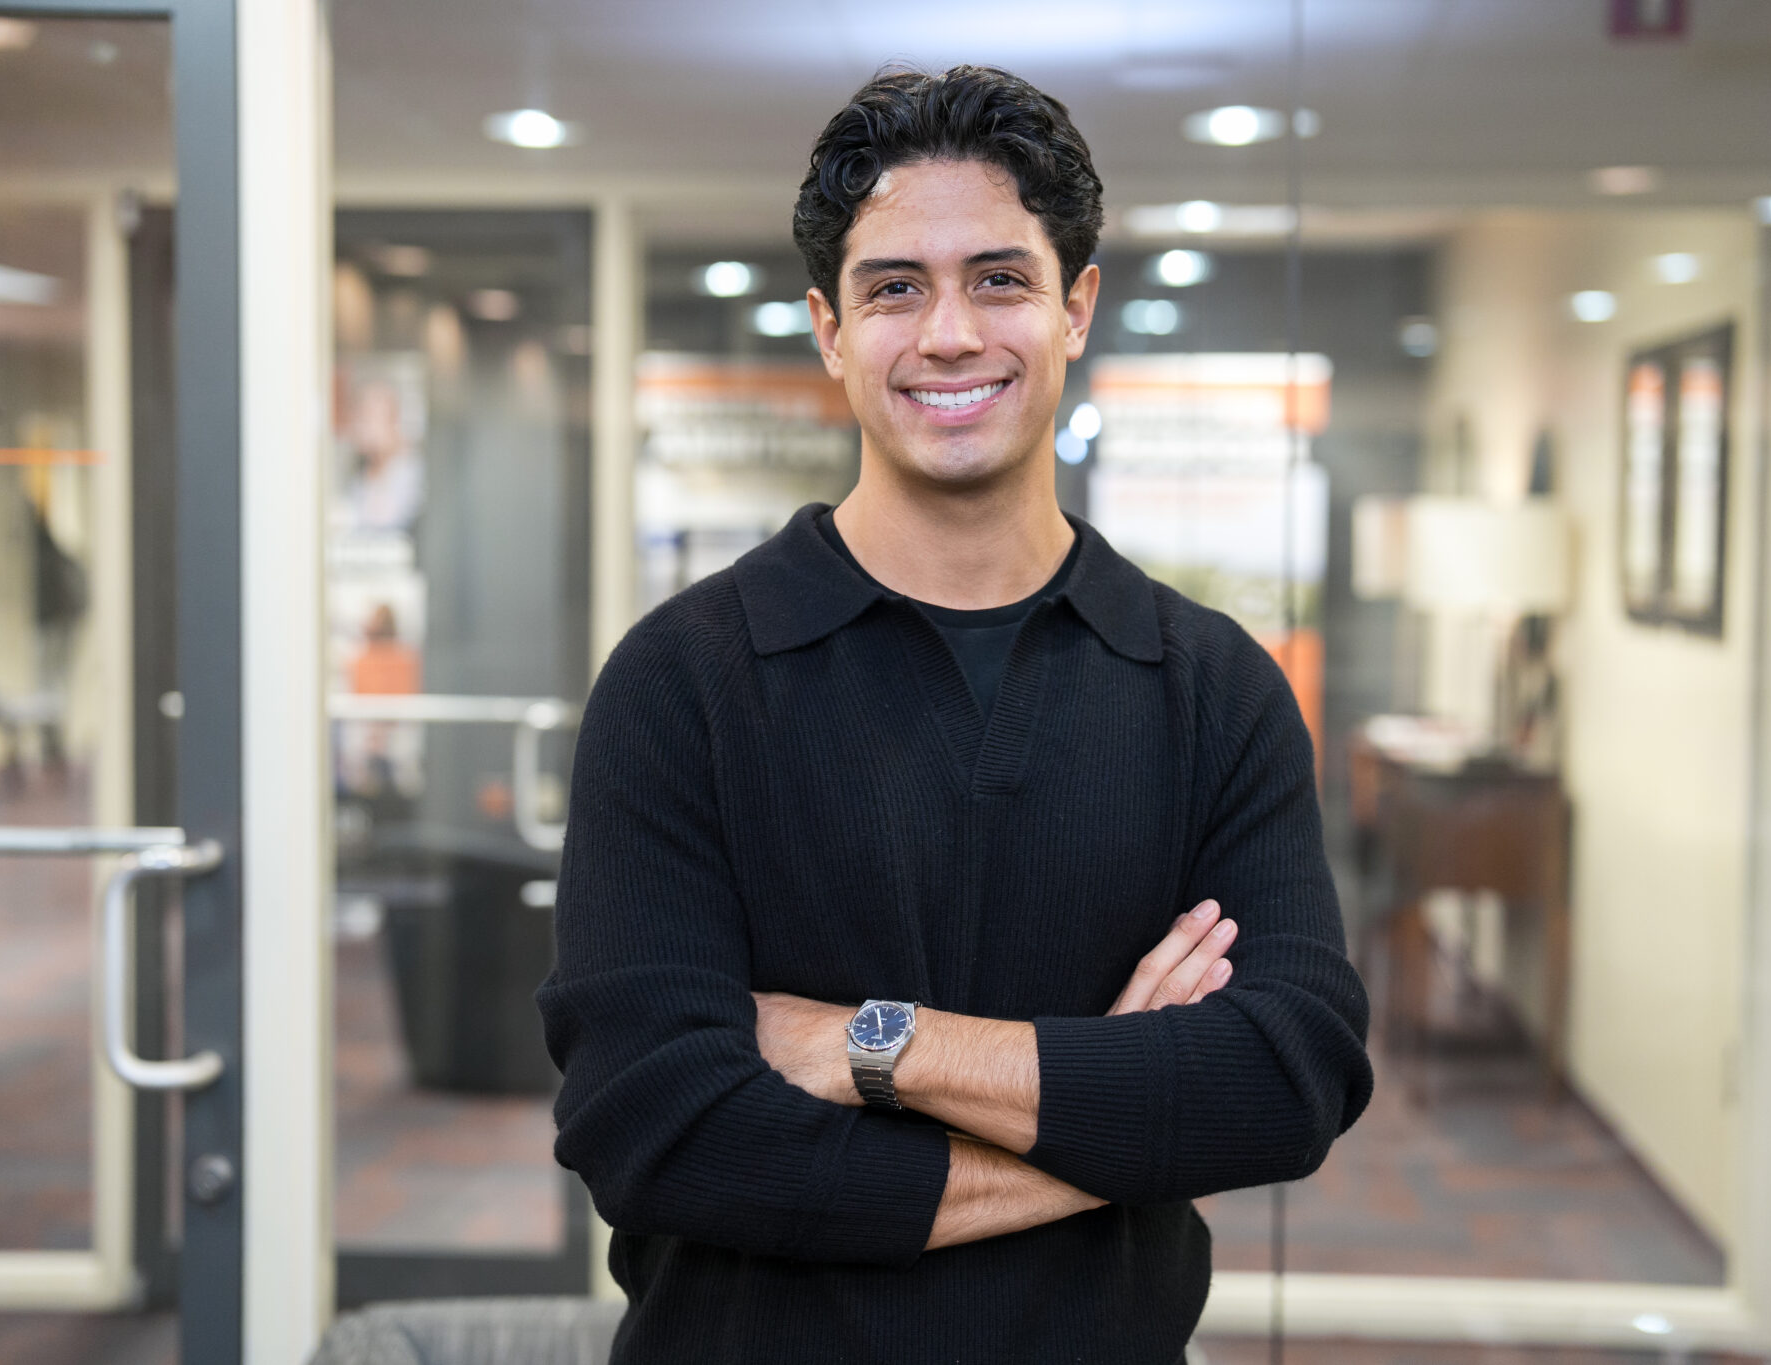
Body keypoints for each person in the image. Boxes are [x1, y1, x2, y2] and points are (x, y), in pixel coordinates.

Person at [536, 65, 1372, 1365]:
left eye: (999, 278)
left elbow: (1289, 1076)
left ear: (1076, 306)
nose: (947, 335)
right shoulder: (681, 682)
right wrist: (1125, 1122)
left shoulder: (1211, 688)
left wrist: (873, 1044)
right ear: (827, 328)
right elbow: (657, 1132)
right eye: (893, 288)